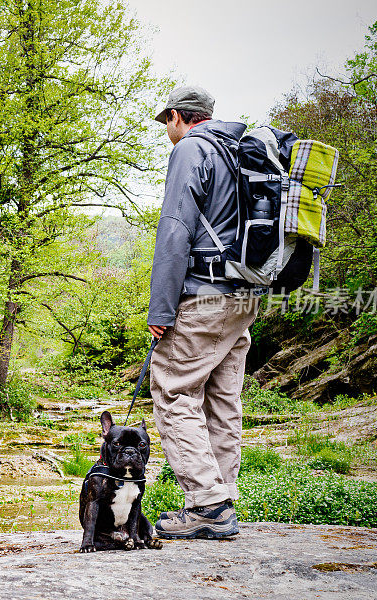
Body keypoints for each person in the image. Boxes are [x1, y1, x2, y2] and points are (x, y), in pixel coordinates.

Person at [147, 85, 261, 539]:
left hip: (204, 296)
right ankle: (221, 498)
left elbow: (175, 230)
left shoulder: (192, 149)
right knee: (221, 399)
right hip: (244, 298)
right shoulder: (237, 151)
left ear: (178, 116)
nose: (167, 131)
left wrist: (161, 306)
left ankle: (208, 504)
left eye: (166, 123)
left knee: (174, 392)